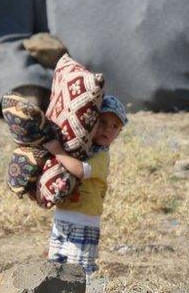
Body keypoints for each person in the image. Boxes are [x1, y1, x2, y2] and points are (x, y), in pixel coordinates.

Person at [42, 95, 127, 276]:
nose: (107, 129)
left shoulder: (101, 156)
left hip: (84, 221)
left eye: (115, 126)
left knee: (80, 271)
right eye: (102, 122)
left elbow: (80, 170)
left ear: (119, 133)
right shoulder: (81, 148)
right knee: (56, 267)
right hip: (63, 216)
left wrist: (57, 151)